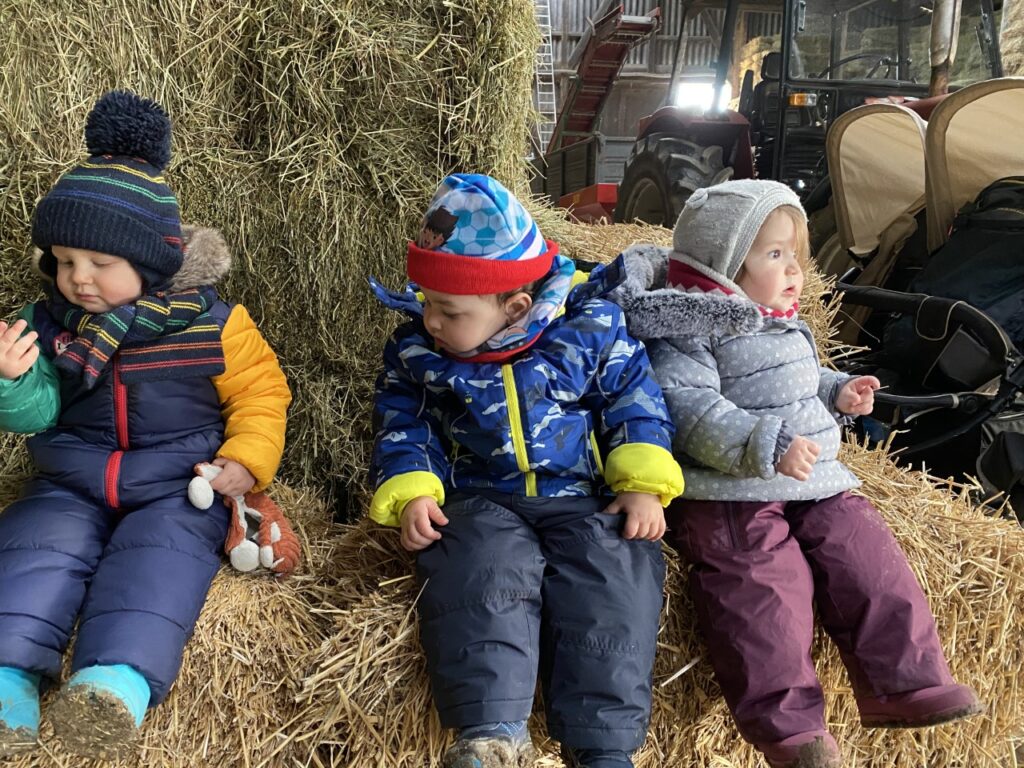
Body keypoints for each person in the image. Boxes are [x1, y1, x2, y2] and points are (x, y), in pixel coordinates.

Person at [611, 179, 982, 768]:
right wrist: (767, 442)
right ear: (724, 263)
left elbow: (798, 381)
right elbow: (689, 412)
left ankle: (906, 680)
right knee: (764, 588)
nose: (794, 271)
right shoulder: (685, 330)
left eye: (796, 256)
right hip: (730, 491)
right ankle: (789, 727)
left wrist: (840, 391)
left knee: (865, 556)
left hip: (814, 480)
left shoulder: (780, 317)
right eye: (775, 255)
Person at [0, 91, 290, 759]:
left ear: (151, 263)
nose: (79, 279)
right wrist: (15, 382)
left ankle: (112, 686)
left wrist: (246, 459)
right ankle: (9, 686)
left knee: (160, 563)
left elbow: (262, 392)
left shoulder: (212, 325)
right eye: (65, 261)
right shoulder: (43, 323)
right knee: (33, 551)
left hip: (173, 485)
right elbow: (38, 412)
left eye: (101, 265)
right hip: (71, 479)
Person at [369, 173, 685, 768]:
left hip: (585, 496)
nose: (430, 320)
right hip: (482, 498)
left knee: (615, 586)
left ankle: (603, 747)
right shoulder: (419, 352)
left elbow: (633, 399)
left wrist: (642, 482)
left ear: (513, 307)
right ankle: (493, 731)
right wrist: (413, 489)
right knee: (480, 573)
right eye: (426, 302)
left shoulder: (589, 331)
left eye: (447, 310)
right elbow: (404, 421)